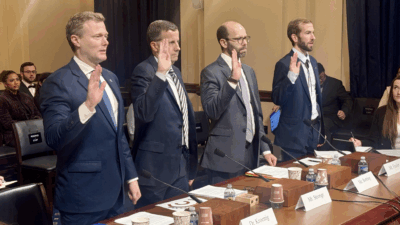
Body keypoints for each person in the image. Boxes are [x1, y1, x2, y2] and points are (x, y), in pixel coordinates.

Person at [40, 11, 141, 224]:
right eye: (97, 36)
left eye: (106, 36)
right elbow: (54, 138)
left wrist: (131, 177)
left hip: (118, 195)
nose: (106, 41)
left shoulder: (111, 78)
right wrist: (87, 107)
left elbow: (118, 136)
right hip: (83, 198)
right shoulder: (57, 82)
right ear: (76, 40)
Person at [130, 20, 198, 208]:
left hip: (179, 169)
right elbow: (144, 113)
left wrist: (190, 167)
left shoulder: (176, 71)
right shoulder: (143, 71)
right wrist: (160, 74)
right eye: (172, 42)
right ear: (155, 45)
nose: (179, 47)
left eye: (178, 42)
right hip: (155, 171)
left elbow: (184, 119)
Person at [200, 21, 277, 185]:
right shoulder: (210, 72)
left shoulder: (248, 71)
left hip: (251, 154)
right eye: (238, 39)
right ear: (223, 42)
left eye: (246, 38)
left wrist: (266, 150)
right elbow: (212, 110)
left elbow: (255, 114)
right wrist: (232, 81)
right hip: (225, 156)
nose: (244, 43)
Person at [272, 18, 324, 161]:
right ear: (295, 37)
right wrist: (291, 77)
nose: (313, 37)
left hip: (312, 134)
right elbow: (277, 98)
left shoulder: (313, 62)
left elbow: (314, 99)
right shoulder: (283, 64)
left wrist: (320, 131)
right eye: (308, 33)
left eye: (313, 33)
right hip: (291, 138)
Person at [351, 75, 400, 149]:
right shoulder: (381, 112)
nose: (398, 92)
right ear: (391, 90)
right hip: (389, 156)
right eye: (396, 88)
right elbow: (373, 140)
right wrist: (360, 143)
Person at [0, 70, 41, 147]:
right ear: (5, 84)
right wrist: (28, 125)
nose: (16, 82)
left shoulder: (26, 96)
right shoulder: (2, 99)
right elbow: (8, 123)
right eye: (12, 80)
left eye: (17, 79)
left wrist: (34, 123)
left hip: (32, 130)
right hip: (13, 135)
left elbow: (37, 113)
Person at [318, 63, 353, 147]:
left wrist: (344, 111)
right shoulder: (309, 84)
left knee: (322, 125)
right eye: (317, 78)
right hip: (315, 117)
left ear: (324, 73)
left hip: (331, 117)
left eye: (321, 78)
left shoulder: (335, 84)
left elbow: (347, 99)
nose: (320, 81)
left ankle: (324, 153)